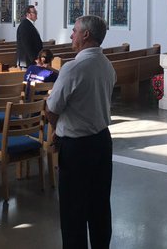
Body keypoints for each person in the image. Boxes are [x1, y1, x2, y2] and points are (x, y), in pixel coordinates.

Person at [45, 15, 116, 249]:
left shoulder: (73, 68)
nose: (72, 35)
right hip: (102, 142)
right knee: (99, 206)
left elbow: (52, 109)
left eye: (75, 31)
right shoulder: (106, 64)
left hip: (77, 148)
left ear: (86, 35)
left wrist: (55, 128)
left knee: (73, 211)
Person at [16, 5, 43, 69]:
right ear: (28, 14)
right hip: (27, 62)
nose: (36, 14)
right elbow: (26, 44)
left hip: (29, 61)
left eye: (36, 12)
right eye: (34, 13)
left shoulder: (29, 24)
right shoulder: (25, 26)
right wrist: (35, 59)